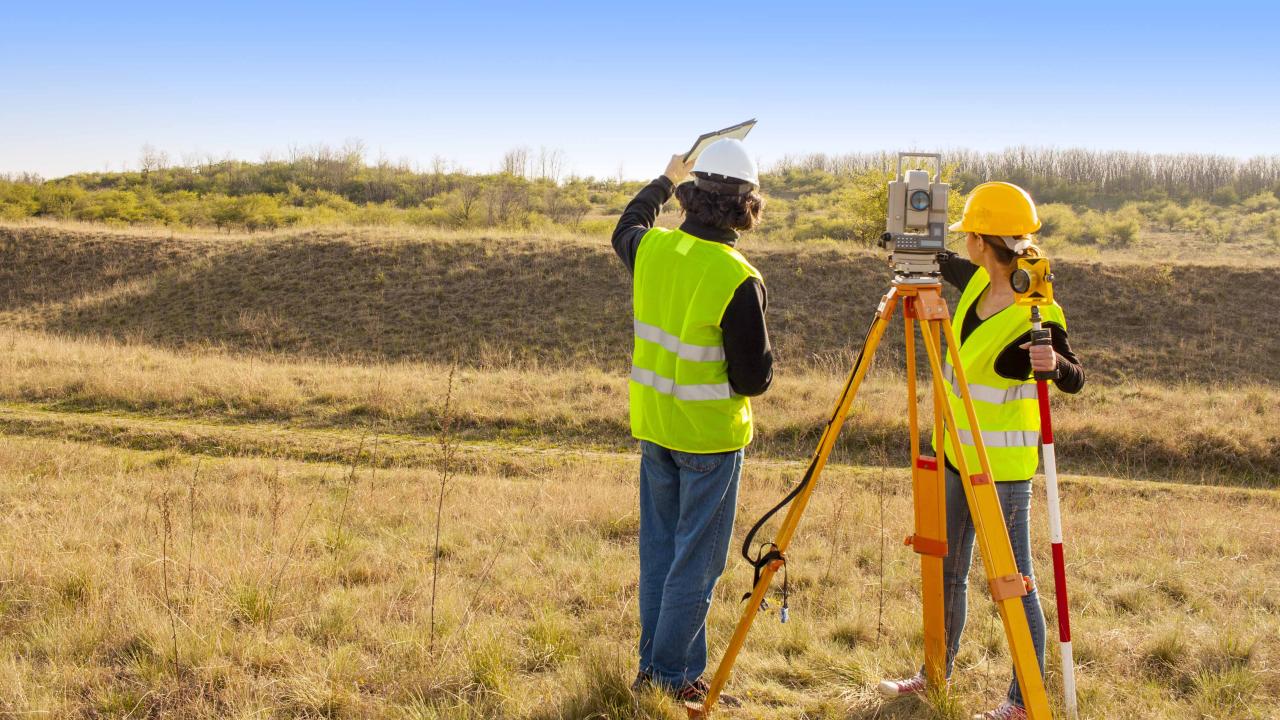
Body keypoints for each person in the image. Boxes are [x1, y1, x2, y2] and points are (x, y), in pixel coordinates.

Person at [877, 182, 1085, 720]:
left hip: (1002, 473)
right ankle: (934, 676)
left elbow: (1074, 377)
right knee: (945, 570)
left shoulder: (1038, 309)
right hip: (954, 456)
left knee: (1013, 584)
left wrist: (1054, 367)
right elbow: (940, 262)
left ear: (980, 241)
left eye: (968, 233)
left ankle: (1022, 701)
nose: (962, 243)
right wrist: (902, 242)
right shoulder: (974, 284)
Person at [610, 139, 773, 706]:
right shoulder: (737, 277)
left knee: (661, 555)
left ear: (690, 195)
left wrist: (662, 178)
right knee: (695, 566)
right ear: (745, 207)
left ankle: (661, 669)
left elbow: (626, 226)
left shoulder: (652, 250)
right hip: (709, 440)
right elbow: (753, 379)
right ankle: (668, 678)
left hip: (655, 428)